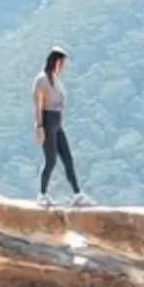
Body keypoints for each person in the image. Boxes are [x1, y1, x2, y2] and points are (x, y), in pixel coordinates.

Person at [33, 48, 82, 201]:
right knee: (51, 160)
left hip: (57, 121)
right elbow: (38, 105)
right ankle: (42, 194)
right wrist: (39, 126)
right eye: (62, 63)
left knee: (67, 158)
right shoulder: (41, 80)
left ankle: (77, 194)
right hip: (47, 120)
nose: (63, 67)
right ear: (56, 62)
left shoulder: (56, 79)